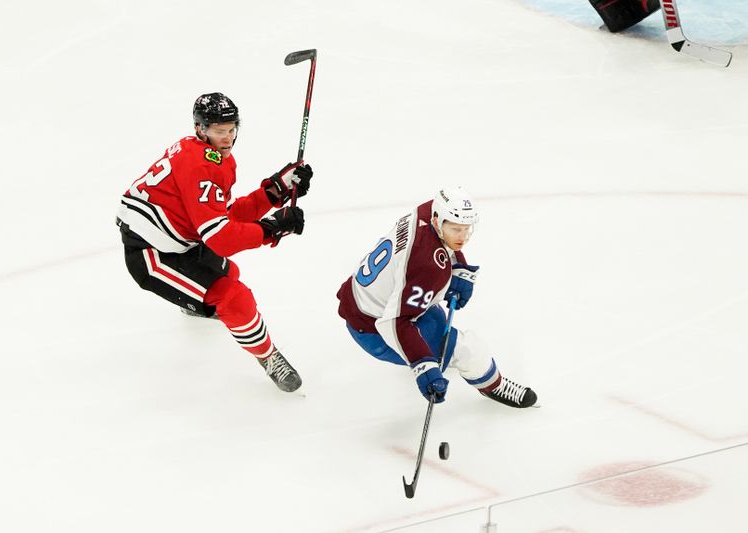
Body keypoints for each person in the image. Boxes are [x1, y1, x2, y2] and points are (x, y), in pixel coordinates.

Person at [116, 92, 313, 393]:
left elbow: (222, 216)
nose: (228, 137)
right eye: (220, 131)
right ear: (200, 129)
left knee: (228, 275)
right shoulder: (200, 165)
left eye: (232, 129)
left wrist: (275, 191)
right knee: (234, 298)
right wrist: (271, 229)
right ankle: (269, 357)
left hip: (180, 240)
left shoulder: (210, 156)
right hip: (151, 253)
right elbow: (220, 238)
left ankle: (195, 304)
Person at [336, 187, 537, 408]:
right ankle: (493, 384)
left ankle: (421, 353)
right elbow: (394, 323)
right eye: (456, 230)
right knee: (468, 349)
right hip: (374, 330)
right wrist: (423, 365)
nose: (463, 237)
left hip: (365, 299)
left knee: (435, 318)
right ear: (438, 221)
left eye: (466, 229)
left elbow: (437, 249)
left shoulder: (428, 210)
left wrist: (458, 266)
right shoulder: (428, 267)